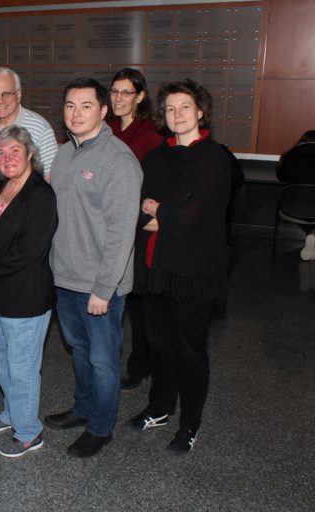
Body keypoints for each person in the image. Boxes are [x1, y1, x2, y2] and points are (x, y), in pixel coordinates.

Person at [128, 79, 231, 453]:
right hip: (156, 264)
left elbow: (194, 215)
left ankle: (190, 423)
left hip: (192, 272)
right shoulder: (156, 157)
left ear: (200, 111)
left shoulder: (215, 158)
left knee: (190, 350)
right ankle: (159, 408)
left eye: (184, 107)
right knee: (158, 343)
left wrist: (160, 210)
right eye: (170, 109)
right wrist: (160, 214)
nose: (177, 115)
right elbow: (137, 207)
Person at [45, 77, 142, 458]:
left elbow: (121, 232)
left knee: (103, 360)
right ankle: (83, 410)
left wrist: (104, 288)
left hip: (99, 285)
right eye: (70, 105)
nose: (77, 113)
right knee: (79, 352)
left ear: (104, 111)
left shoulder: (119, 161)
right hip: (65, 278)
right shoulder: (63, 154)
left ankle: (101, 428)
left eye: (86, 105)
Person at [0, 125, 58, 458]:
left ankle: (29, 431)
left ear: (30, 154)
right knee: (4, 360)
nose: (7, 158)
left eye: (15, 152)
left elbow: (28, 252)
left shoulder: (40, 195)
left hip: (25, 296)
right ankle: (12, 413)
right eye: (1, 153)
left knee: (22, 368)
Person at [0, 66, 59, 378]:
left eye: (7, 93)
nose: (0, 99)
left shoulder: (38, 127)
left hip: (23, 212)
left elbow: (49, 177)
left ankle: (18, 361)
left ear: (19, 95)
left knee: (15, 277)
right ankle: (1, 357)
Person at [107, 68, 164, 391]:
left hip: (140, 226)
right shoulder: (107, 128)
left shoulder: (150, 134)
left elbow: (155, 185)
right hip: (111, 224)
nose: (118, 98)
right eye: (114, 92)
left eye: (125, 92)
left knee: (140, 303)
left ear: (140, 96)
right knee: (118, 300)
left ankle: (143, 364)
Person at [276, 130, 315, 260]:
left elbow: (281, 177)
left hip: (292, 207)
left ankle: (312, 237)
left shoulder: (289, 155)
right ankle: (313, 235)